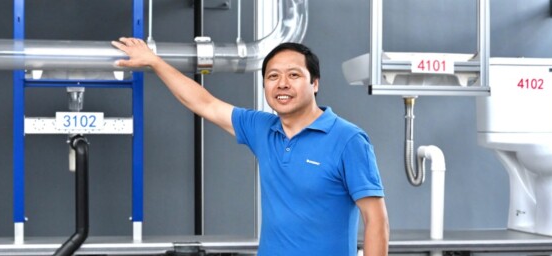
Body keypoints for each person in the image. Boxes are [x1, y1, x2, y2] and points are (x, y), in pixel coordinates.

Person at [112, 37, 389, 255]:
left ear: (314, 83)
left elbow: (375, 220)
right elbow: (203, 103)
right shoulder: (262, 128)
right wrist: (155, 62)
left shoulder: (348, 140)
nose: (282, 84)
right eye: (272, 77)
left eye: (294, 75)